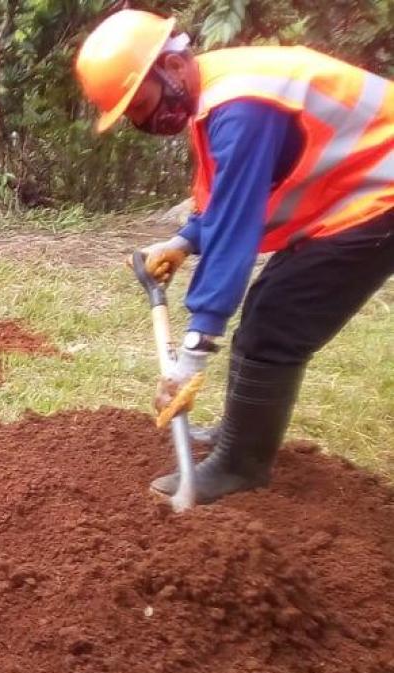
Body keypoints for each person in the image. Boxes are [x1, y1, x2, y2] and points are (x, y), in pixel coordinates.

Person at [77, 10, 394, 504]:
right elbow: (229, 197)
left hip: (381, 195)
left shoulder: (243, 106)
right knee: (271, 309)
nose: (145, 121)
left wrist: (191, 357)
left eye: (141, 103)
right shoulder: (219, 94)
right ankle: (241, 434)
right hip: (354, 194)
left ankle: (241, 464)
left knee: (278, 321)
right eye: (133, 116)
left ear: (174, 66)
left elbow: (234, 232)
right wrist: (183, 242)